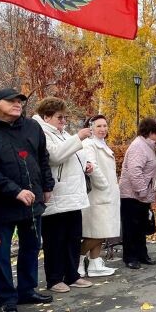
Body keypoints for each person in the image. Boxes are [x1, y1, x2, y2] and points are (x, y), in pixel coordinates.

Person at [0, 88, 54, 312]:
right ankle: (6, 297)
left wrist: (47, 186)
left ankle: (27, 289)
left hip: (32, 199)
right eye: (11, 100)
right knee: (0, 252)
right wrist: (15, 191)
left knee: (31, 246)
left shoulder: (32, 127)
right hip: (2, 203)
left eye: (20, 100)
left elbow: (43, 157)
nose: (17, 104)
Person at [34, 97, 94, 293]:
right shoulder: (42, 132)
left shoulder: (61, 132)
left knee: (73, 237)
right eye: (60, 117)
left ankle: (72, 274)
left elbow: (73, 155)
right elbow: (55, 156)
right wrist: (78, 138)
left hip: (73, 195)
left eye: (65, 117)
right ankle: (54, 278)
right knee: (55, 240)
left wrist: (84, 164)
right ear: (47, 116)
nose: (63, 121)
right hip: (57, 194)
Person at [119, 118, 156, 269]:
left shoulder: (149, 146)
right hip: (132, 195)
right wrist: (142, 191)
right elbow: (135, 171)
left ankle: (142, 254)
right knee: (131, 227)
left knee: (140, 227)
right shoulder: (139, 146)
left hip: (141, 195)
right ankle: (130, 257)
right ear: (151, 132)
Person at [80, 115, 119, 277]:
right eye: (98, 126)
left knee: (100, 230)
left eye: (105, 125)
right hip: (98, 194)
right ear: (91, 128)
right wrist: (105, 186)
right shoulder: (89, 144)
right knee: (98, 232)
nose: (103, 129)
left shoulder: (100, 143)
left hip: (105, 193)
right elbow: (92, 167)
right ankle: (78, 258)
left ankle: (95, 263)